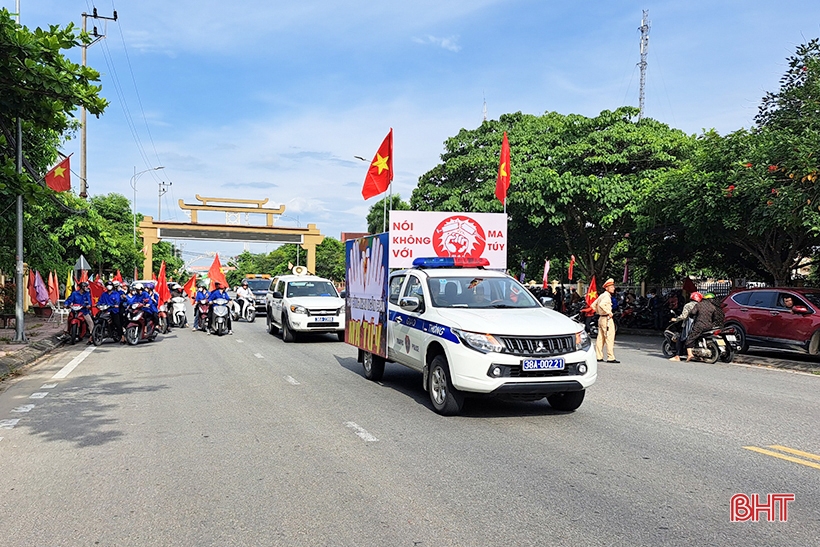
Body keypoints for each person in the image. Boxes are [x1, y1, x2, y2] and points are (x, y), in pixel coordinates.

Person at [685, 292, 724, 361]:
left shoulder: (699, 305)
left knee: (690, 338)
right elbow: (715, 317)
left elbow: (692, 313)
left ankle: (690, 354)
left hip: (699, 325)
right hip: (709, 326)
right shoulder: (713, 307)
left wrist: (691, 316)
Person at [668, 292, 701, 361]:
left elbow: (684, 316)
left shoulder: (688, 305)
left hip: (690, 324)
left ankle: (677, 356)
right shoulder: (701, 305)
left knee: (680, 338)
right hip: (700, 325)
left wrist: (676, 319)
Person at [593, 278, 619, 363]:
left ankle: (598, 356)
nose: (613, 288)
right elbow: (601, 304)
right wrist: (608, 312)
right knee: (609, 337)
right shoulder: (607, 297)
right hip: (607, 319)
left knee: (600, 338)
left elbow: (594, 305)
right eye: (612, 287)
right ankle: (610, 357)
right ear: (607, 288)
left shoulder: (601, 295)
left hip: (601, 318)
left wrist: (599, 312)